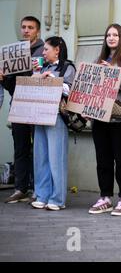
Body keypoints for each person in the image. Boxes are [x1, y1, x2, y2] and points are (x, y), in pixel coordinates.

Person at [88, 24, 121, 216]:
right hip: (100, 118)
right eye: (108, 34)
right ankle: (106, 197)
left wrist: (112, 75)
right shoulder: (99, 59)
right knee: (103, 159)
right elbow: (91, 85)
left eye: (115, 34)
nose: (111, 37)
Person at [1, 16, 44, 204]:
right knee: (20, 148)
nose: (26, 30)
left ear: (38, 31)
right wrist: (3, 78)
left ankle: (38, 188)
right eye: (24, 27)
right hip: (18, 104)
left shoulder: (44, 50)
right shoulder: (13, 52)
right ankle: (20, 188)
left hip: (39, 105)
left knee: (40, 148)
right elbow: (11, 87)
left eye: (31, 27)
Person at [30, 37, 75, 210]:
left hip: (56, 116)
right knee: (40, 157)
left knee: (56, 159)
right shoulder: (41, 67)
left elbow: (71, 90)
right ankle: (42, 195)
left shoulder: (67, 67)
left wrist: (53, 81)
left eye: (46, 49)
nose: (43, 52)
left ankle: (57, 199)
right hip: (38, 115)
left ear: (57, 50)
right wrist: (36, 76)